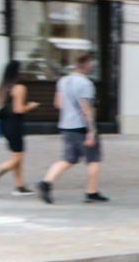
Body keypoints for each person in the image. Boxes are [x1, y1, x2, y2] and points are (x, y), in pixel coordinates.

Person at [38, 54, 108, 204]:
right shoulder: (85, 84)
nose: (92, 66)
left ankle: (46, 182)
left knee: (68, 159)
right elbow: (86, 109)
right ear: (87, 65)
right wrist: (92, 131)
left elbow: (58, 104)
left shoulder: (62, 81)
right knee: (93, 160)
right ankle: (91, 192)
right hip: (82, 127)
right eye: (91, 63)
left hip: (66, 125)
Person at [0, 60, 39, 196]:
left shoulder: (1, 87)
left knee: (17, 155)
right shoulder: (19, 87)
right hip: (15, 124)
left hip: (4, 124)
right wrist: (30, 106)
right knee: (17, 158)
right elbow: (18, 109)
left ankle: (20, 185)